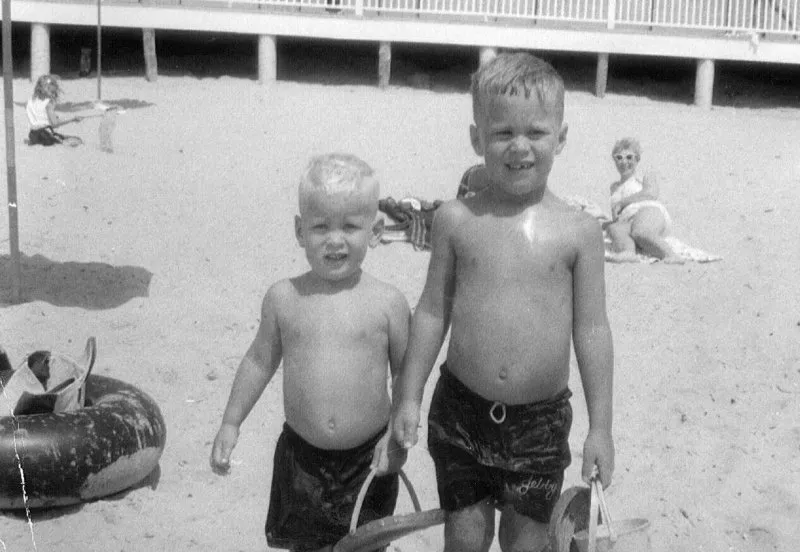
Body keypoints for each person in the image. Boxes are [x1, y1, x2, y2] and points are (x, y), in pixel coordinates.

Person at [392, 53, 615, 552]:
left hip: (538, 423)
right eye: (502, 134)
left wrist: (600, 428)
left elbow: (593, 331)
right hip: (460, 412)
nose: (520, 147)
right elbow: (431, 312)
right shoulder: (455, 220)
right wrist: (409, 394)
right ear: (477, 139)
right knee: (465, 538)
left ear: (560, 137)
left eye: (536, 133)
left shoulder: (580, 231)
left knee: (525, 542)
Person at [210, 153, 411, 552]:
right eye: (321, 227)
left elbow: (406, 376)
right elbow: (258, 361)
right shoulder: (285, 298)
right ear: (300, 231)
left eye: (350, 226)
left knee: (367, 545)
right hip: (302, 459)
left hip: (368, 458)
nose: (335, 239)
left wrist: (397, 436)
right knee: (306, 546)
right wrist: (231, 422)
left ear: (375, 231)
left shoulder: (388, 303)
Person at [605, 138, 683, 263]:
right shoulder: (614, 187)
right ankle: (628, 253)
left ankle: (670, 255)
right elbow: (616, 215)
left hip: (648, 211)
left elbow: (651, 193)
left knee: (640, 231)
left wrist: (622, 203)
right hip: (628, 219)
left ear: (637, 159)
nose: (624, 162)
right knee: (615, 229)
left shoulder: (644, 176)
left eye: (629, 157)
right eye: (619, 157)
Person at [26, 74, 83, 147]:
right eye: (53, 92)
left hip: (32, 134)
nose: (54, 95)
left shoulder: (31, 100)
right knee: (78, 140)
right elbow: (55, 124)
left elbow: (39, 119)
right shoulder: (49, 103)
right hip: (45, 134)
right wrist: (72, 119)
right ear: (46, 90)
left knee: (60, 136)